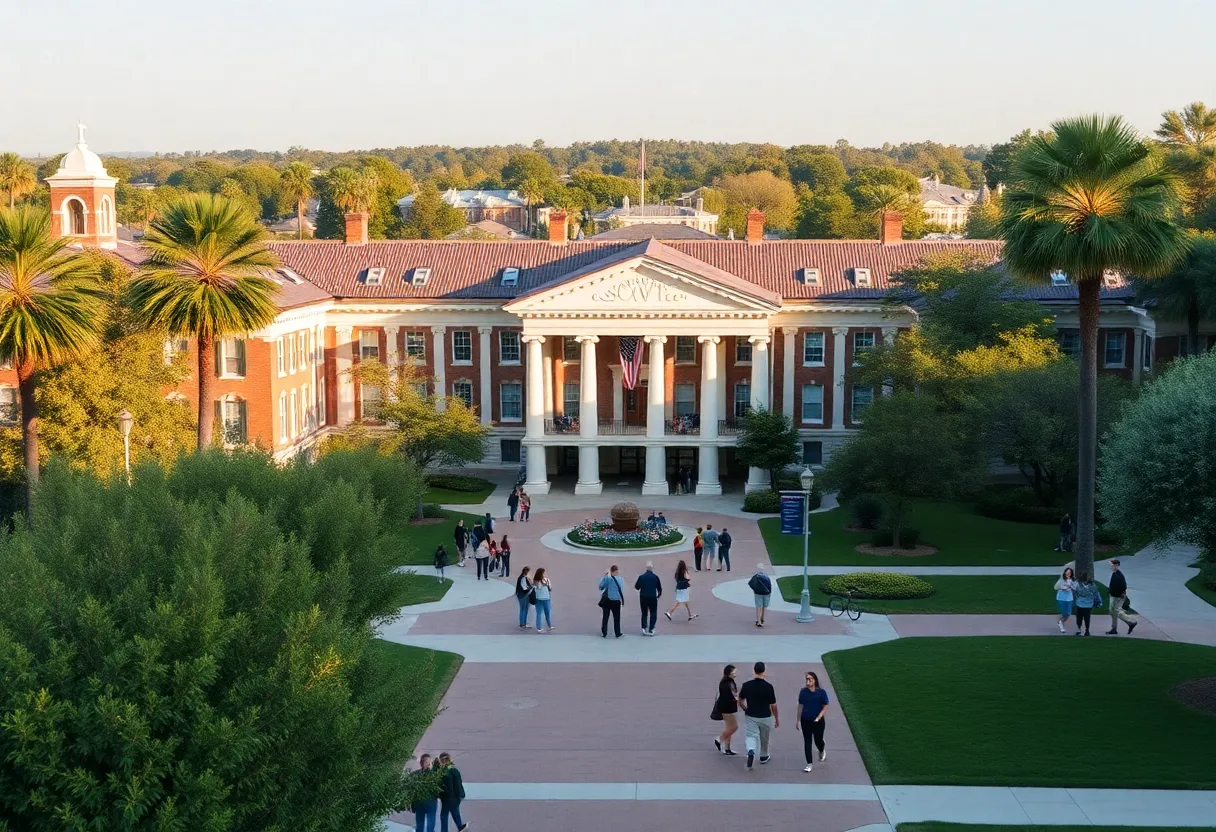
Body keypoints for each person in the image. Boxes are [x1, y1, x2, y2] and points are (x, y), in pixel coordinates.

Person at [738, 661, 779, 770]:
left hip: (751, 715)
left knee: (751, 735)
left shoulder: (746, 685)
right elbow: (773, 705)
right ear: (764, 671)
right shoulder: (769, 687)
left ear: (754, 670)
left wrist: (744, 708)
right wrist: (776, 718)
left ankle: (751, 750)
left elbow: (740, 699)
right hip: (765, 716)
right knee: (764, 737)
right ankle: (764, 755)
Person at [796, 671, 830, 772]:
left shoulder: (821, 692)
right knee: (807, 741)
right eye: (807, 678)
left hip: (818, 722)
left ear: (815, 680)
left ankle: (821, 748)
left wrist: (819, 717)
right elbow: (800, 706)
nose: (808, 680)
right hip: (805, 720)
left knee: (818, 740)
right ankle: (809, 763)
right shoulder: (803, 692)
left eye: (810, 678)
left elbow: (825, 706)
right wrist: (798, 720)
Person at [1106, 559, 1139, 635]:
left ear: (1116, 565)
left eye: (1112, 565)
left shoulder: (1120, 575)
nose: (1111, 567)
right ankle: (1115, 628)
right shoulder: (1114, 574)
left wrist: (1122, 595)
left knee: (1116, 612)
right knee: (1112, 611)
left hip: (1118, 597)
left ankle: (1132, 621)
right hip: (1113, 595)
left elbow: (1124, 587)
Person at [437, 752, 467, 832]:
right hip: (454, 797)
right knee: (454, 813)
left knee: (444, 815)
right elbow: (458, 784)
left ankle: (447, 830)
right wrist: (460, 795)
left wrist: (440, 795)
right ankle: (460, 827)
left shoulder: (442, 772)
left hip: (446, 797)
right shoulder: (454, 770)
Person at [714, 664, 740, 756]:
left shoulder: (723, 682)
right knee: (734, 727)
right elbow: (735, 696)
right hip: (728, 709)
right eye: (734, 673)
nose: (735, 674)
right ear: (729, 673)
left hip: (724, 707)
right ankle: (719, 739)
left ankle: (727, 748)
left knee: (729, 727)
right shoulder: (730, 683)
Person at [409, 753, 439, 832]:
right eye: (428, 762)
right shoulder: (434, 775)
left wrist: (412, 804)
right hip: (431, 802)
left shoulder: (415, 775)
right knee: (431, 821)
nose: (429, 763)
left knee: (419, 823)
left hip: (419, 803)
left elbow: (412, 791)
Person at [634, 561, 663, 636]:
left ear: (646, 568)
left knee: (644, 613)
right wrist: (658, 595)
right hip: (653, 597)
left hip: (643, 597)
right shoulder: (655, 577)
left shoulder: (641, 577)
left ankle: (644, 627)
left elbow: (637, 587)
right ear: (652, 568)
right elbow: (659, 588)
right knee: (653, 613)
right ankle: (651, 628)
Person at [598, 565, 626, 638]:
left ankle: (604, 632)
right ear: (617, 571)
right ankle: (617, 633)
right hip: (616, 600)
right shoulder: (621, 579)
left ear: (611, 571)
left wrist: (606, 576)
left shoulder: (607, 578)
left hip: (607, 600)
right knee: (617, 618)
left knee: (605, 617)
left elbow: (601, 587)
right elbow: (621, 589)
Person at [1073, 570, 1102, 636]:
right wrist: (1099, 602)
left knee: (1079, 617)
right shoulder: (1093, 585)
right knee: (1087, 617)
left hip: (1080, 604)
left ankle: (1079, 629)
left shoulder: (1079, 585)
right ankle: (1087, 630)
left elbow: (1076, 593)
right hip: (1089, 605)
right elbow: (1096, 594)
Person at [1054, 566, 1077, 634]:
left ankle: (1061, 621)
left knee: (1068, 613)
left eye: (1069, 573)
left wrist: (1071, 586)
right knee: (1064, 612)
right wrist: (1062, 587)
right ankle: (1061, 625)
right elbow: (1056, 587)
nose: (1068, 574)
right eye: (1067, 573)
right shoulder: (1061, 580)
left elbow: (1075, 587)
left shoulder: (1072, 580)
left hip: (1069, 598)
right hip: (1061, 598)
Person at [533, 567, 553, 632]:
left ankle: (539, 628)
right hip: (546, 598)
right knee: (547, 613)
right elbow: (550, 588)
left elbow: (537, 587)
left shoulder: (535, 580)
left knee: (538, 613)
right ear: (542, 573)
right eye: (544, 573)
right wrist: (546, 585)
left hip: (538, 598)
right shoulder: (546, 580)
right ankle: (549, 626)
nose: (545, 573)